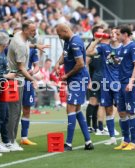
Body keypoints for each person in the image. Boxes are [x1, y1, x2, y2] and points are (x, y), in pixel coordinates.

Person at [54, 23, 94, 151]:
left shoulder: (75, 42)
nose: (59, 37)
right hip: (74, 79)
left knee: (70, 108)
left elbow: (80, 64)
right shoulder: (68, 40)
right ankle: (88, 142)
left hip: (79, 79)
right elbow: (65, 55)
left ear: (65, 31)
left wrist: (66, 75)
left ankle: (68, 144)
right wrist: (57, 63)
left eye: (59, 34)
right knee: (76, 110)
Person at [6, 20, 38, 151]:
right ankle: (10, 141)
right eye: (32, 30)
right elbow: (21, 68)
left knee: (14, 111)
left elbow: (26, 45)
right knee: (14, 111)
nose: (34, 32)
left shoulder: (19, 35)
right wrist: (32, 80)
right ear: (24, 30)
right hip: (16, 81)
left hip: (14, 79)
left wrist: (36, 46)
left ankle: (8, 139)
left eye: (35, 29)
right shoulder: (20, 44)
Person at [86, 28, 121, 145]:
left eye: (116, 33)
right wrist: (96, 40)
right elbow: (88, 52)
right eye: (111, 33)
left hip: (119, 83)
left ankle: (128, 139)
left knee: (123, 110)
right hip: (105, 83)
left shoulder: (125, 48)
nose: (113, 35)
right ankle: (112, 137)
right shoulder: (104, 48)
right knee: (108, 109)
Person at [114, 25, 135, 151]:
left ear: (125, 35)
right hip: (120, 83)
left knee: (131, 112)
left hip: (128, 84)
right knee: (121, 112)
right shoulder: (120, 49)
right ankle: (125, 140)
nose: (116, 36)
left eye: (118, 34)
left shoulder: (133, 47)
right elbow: (122, 64)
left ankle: (133, 143)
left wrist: (131, 82)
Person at [85, 25, 104, 133]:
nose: (103, 35)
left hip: (101, 79)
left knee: (98, 103)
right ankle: (88, 125)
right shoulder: (90, 47)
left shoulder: (102, 47)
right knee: (93, 101)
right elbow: (86, 64)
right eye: (100, 33)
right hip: (93, 79)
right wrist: (89, 81)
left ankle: (95, 125)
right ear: (95, 35)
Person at [20, 47, 39, 145]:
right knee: (11, 111)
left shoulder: (32, 49)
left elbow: (36, 66)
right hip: (15, 80)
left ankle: (24, 137)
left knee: (27, 109)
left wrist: (33, 72)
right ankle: (8, 140)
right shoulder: (11, 46)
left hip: (27, 81)